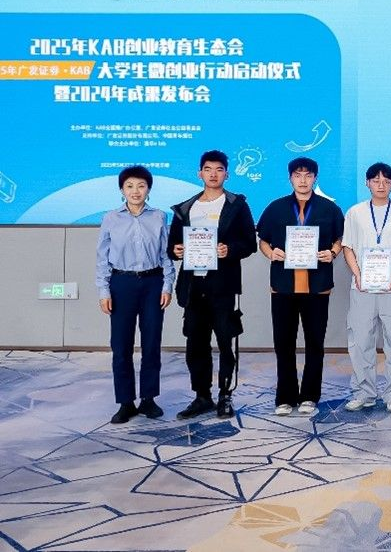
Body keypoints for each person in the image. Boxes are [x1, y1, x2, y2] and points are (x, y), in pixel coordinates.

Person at [168, 150, 257, 420]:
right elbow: (172, 246)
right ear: (200, 173)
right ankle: (202, 396)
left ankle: (225, 395)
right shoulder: (186, 208)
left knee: (226, 342)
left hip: (223, 286)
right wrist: (177, 251)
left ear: (226, 174)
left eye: (219, 169)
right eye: (208, 169)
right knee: (196, 343)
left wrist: (229, 249)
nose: (213, 174)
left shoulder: (236, 205)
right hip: (193, 286)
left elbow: (249, 243)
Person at [256, 157, 344, 417]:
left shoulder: (329, 208)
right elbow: (263, 240)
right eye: (297, 175)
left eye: (308, 175)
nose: (303, 180)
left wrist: (333, 253)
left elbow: (340, 239)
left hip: (317, 286)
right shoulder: (276, 207)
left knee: (315, 343)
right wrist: (270, 253)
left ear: (315, 178)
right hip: (283, 286)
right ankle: (285, 396)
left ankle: (310, 396)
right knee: (283, 343)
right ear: (290, 178)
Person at [95, 165, 176, 424]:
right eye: (129, 186)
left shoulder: (159, 217)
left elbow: (165, 254)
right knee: (121, 346)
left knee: (151, 344)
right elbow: (102, 258)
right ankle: (125, 402)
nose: (135, 191)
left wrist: (167, 285)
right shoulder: (111, 218)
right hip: (121, 284)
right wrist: (104, 290)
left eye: (141, 186)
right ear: (122, 190)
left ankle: (148, 399)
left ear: (148, 189)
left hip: (152, 283)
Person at [341, 162, 391, 413]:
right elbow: (347, 247)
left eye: (386, 181)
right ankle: (363, 392)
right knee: (360, 341)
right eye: (376, 180)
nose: (381, 185)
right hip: (362, 288)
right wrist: (357, 274)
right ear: (367, 183)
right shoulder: (355, 213)